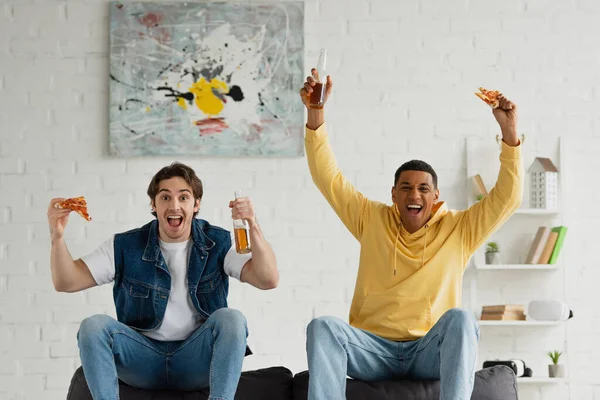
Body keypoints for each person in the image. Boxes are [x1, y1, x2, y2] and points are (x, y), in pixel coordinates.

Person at [299, 72, 523, 400]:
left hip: (427, 351)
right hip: (373, 350)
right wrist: (315, 113)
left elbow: (508, 198)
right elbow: (327, 176)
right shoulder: (369, 218)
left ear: (435, 196)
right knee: (322, 327)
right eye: (405, 187)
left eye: (422, 188)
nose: (413, 195)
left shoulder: (460, 229)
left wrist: (509, 132)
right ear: (393, 194)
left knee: (461, 319)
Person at [47, 162, 278, 400]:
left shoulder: (217, 242)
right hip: (141, 360)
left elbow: (268, 278)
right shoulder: (124, 246)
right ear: (154, 205)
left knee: (232, 319)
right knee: (92, 326)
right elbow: (66, 281)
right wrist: (57, 236)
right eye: (165, 197)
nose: (174, 205)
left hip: (195, 361)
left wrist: (252, 223)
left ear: (196, 204)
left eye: (184, 197)